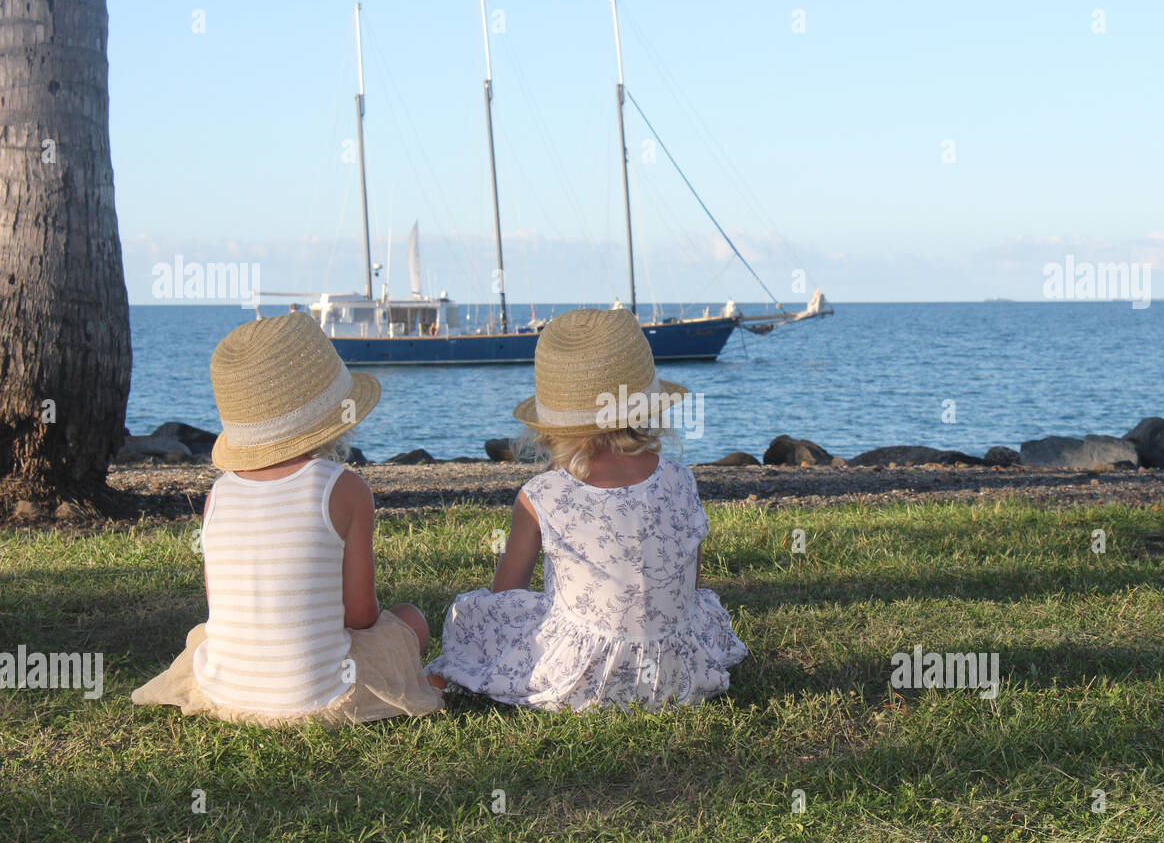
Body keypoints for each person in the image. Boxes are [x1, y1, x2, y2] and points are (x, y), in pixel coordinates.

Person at [426, 308, 746, 711]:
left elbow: (506, 594)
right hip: (676, 673)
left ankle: (461, 674)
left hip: (584, 681)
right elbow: (690, 581)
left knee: (474, 616)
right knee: (706, 607)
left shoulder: (541, 493)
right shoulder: (680, 479)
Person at [132, 313, 443, 725]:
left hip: (225, 690)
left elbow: (217, 607)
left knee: (203, 638)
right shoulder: (345, 488)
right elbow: (361, 615)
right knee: (409, 621)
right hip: (318, 696)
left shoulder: (218, 494)